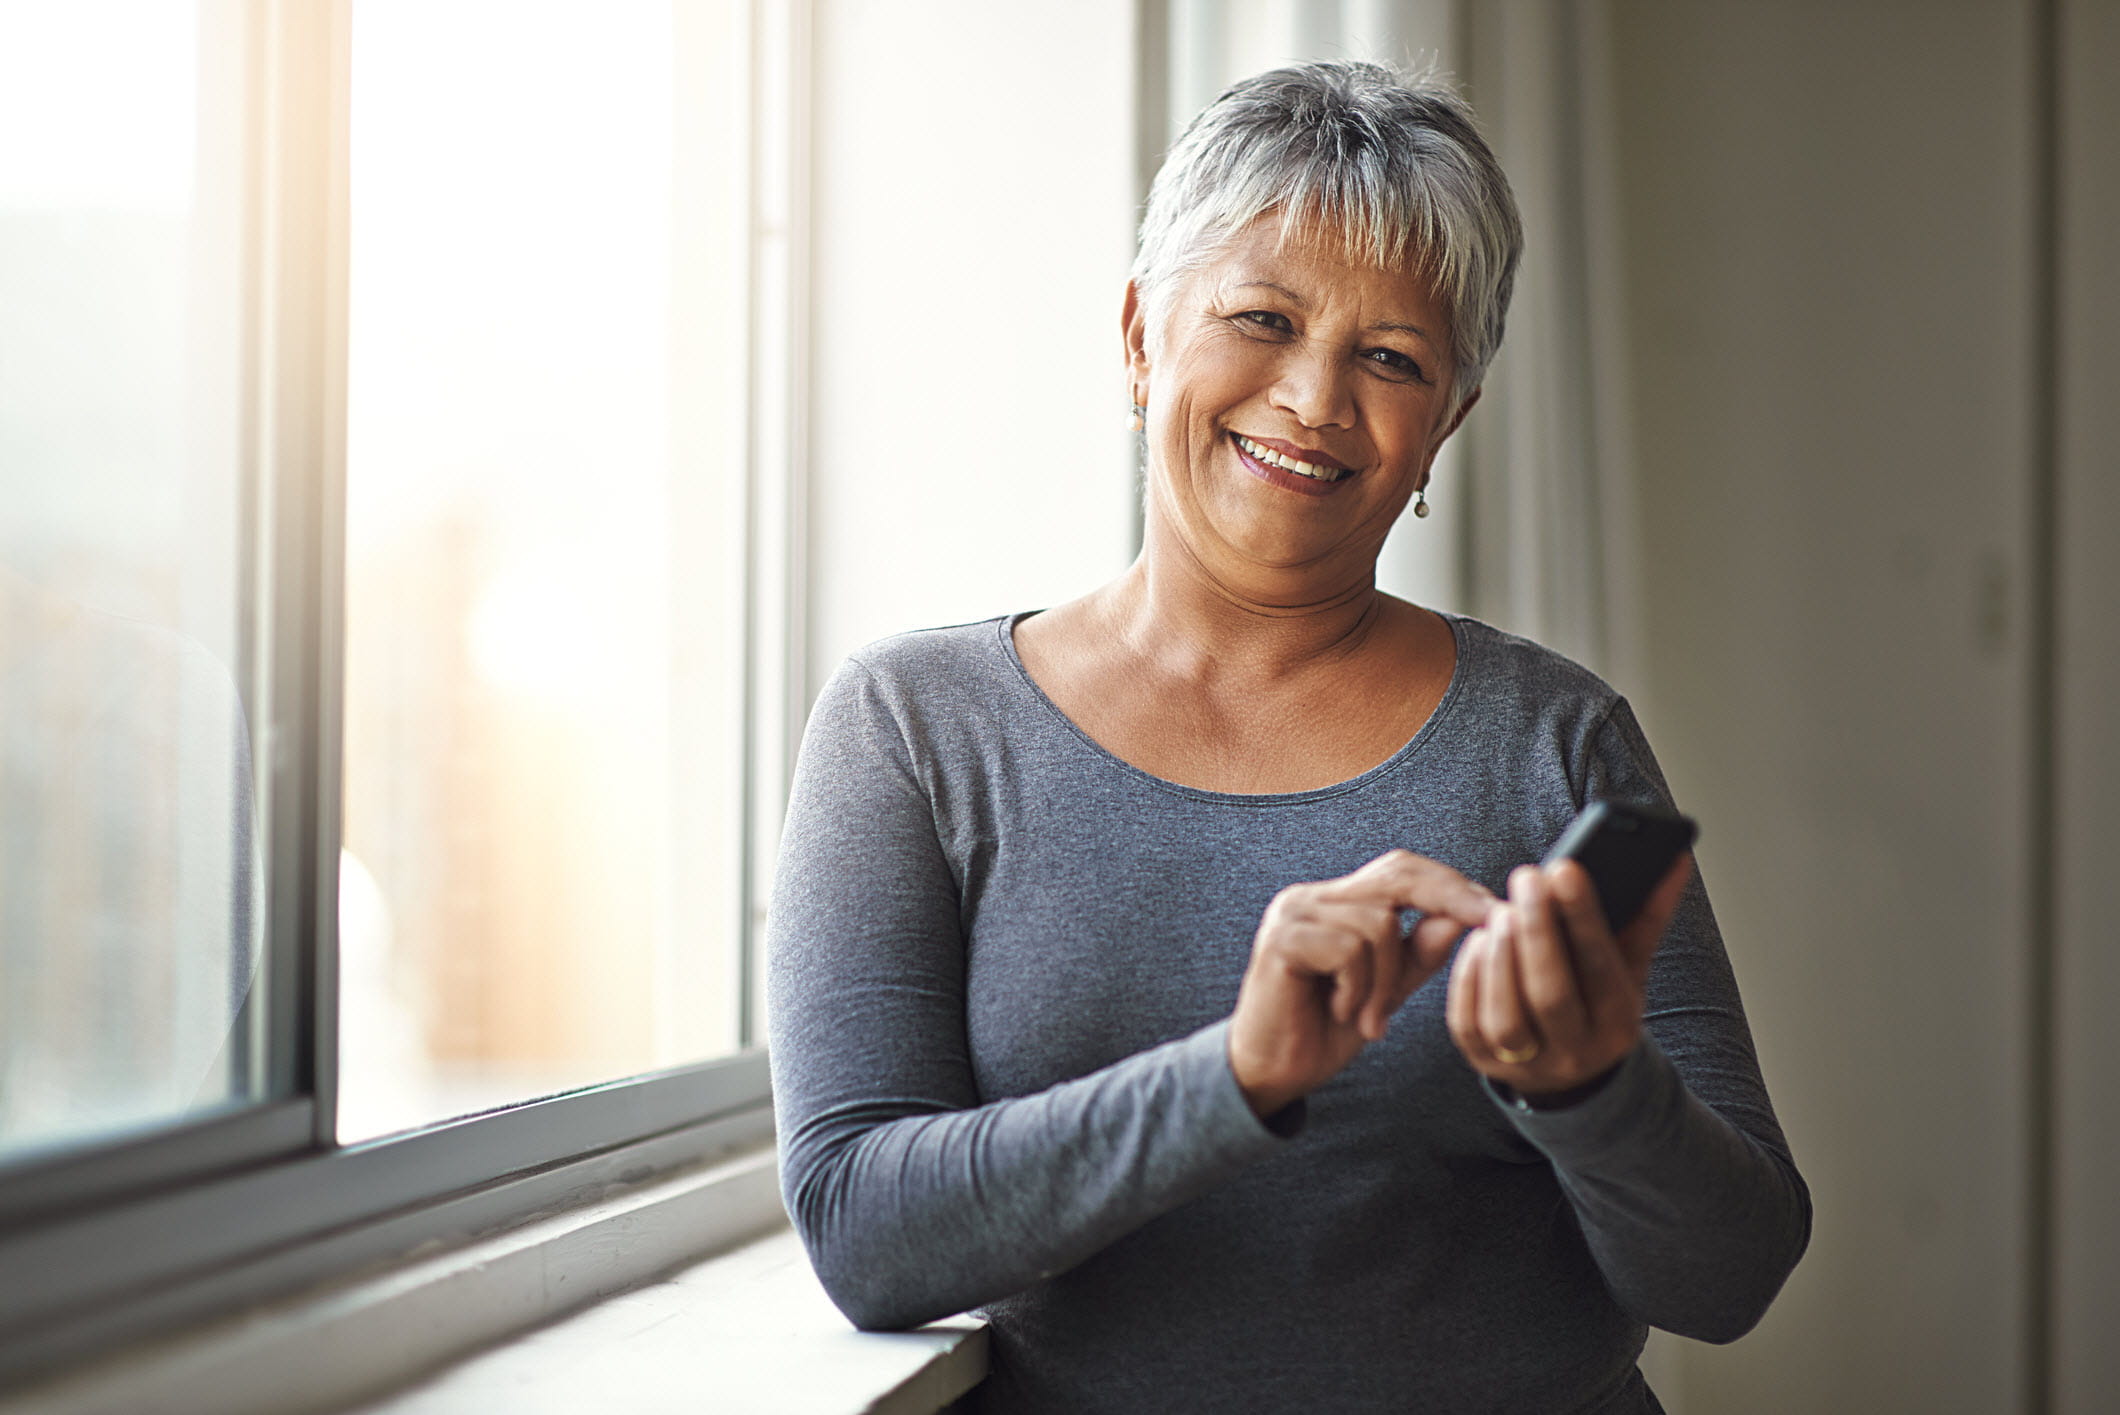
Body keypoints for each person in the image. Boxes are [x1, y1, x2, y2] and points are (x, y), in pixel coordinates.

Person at [767, 60, 1809, 1415]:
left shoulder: (1554, 740)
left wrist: (1592, 1090)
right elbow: (862, 1232)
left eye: (1391, 359)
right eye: (1263, 318)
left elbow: (1730, 1278)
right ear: (1143, 336)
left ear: (1447, 425)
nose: (1317, 399)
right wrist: (1240, 1075)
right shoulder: (913, 728)